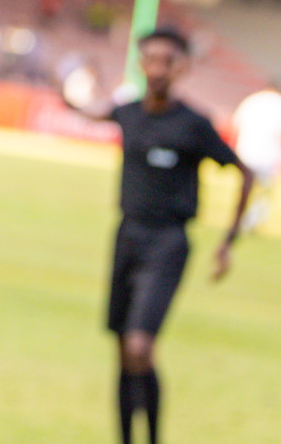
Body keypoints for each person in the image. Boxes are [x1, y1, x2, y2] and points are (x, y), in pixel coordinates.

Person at [65, 27, 254, 444]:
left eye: (166, 61)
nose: (156, 69)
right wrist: (64, 86)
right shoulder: (128, 112)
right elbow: (90, 111)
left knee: (138, 347)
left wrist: (227, 241)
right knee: (121, 350)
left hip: (168, 242)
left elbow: (243, 171)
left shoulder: (194, 125)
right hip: (127, 236)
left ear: (181, 67)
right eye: (149, 59)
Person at [232, 82, 281, 233]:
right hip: (266, 153)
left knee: (245, 188)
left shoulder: (252, 100)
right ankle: (249, 221)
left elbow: (236, 123)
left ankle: (238, 220)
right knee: (264, 190)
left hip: (245, 151)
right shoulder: (277, 103)